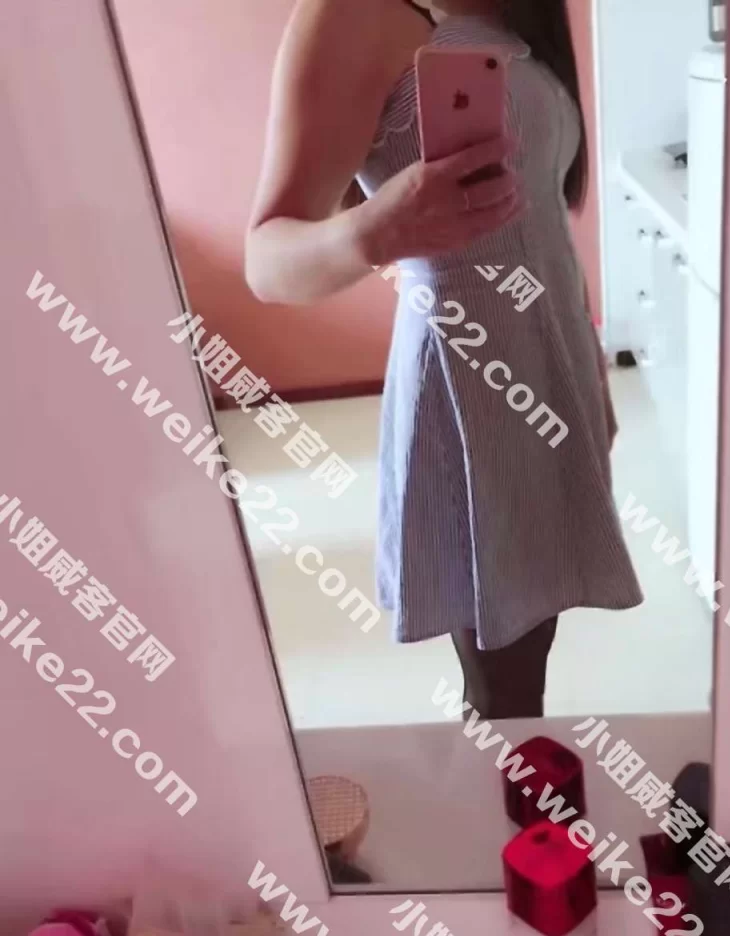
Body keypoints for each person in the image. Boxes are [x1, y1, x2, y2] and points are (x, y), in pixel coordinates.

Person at [245, 0, 643, 718]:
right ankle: (510, 786)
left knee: (533, 639)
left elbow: (544, 224)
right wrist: (375, 230)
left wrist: (589, 374)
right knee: (503, 680)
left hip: (553, 363)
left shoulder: (515, 16)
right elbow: (267, 262)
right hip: (471, 381)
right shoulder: (357, 13)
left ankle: (517, 781)